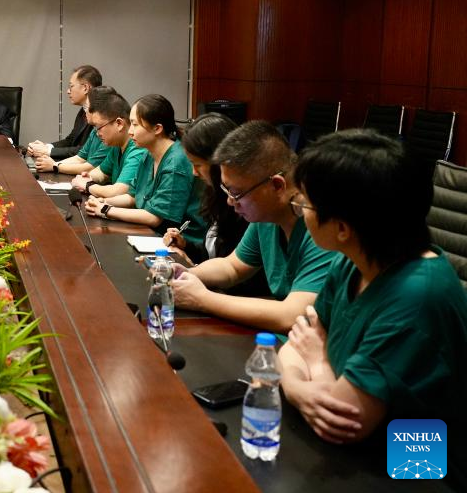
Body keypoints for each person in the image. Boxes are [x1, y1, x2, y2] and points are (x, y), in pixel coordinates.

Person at [280, 130, 467, 487]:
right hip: (362, 453)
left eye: (306, 205)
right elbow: (294, 344)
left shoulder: (417, 298)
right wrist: (297, 385)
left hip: (420, 469)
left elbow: (342, 423)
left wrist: (318, 362)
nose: (301, 213)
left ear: (343, 228)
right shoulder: (354, 260)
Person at [170, 121, 337, 333]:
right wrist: (188, 274)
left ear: (277, 185)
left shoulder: (322, 227)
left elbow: (292, 315)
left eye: (236, 193)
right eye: (226, 190)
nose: (230, 201)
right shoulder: (267, 217)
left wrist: (202, 299)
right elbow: (232, 267)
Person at [82, 95, 205, 249]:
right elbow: (132, 196)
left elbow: (154, 217)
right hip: (154, 234)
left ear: (157, 128)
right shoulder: (148, 154)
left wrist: (106, 210)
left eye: (134, 125)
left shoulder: (176, 162)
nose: (130, 131)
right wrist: (103, 202)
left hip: (183, 243)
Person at [163, 113, 249, 264]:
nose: (194, 172)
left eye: (197, 165)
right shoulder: (215, 195)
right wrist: (185, 246)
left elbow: (232, 270)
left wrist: (193, 269)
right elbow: (210, 254)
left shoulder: (243, 208)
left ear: (218, 162)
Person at [69, 91, 147, 198]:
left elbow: (119, 191)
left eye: (99, 127)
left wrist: (88, 185)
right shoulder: (117, 146)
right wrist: (89, 177)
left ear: (119, 123)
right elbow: (102, 172)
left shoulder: (138, 149)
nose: (97, 133)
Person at [27, 65, 102, 168]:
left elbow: (85, 151)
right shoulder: (83, 110)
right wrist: (46, 147)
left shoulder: (100, 115)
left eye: (71, 86)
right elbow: (71, 140)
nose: (68, 91)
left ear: (85, 88)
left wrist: (49, 153)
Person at [38, 85, 116, 176]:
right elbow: (80, 158)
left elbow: (89, 167)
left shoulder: (109, 136)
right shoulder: (95, 130)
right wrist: (53, 164)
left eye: (86, 108)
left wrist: (55, 166)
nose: (85, 111)